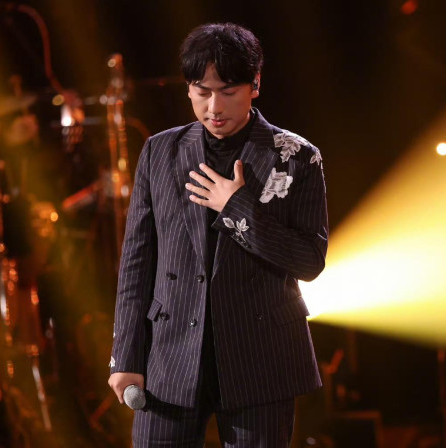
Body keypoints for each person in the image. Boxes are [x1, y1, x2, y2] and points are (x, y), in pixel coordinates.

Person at [107, 22, 328, 447]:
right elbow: (137, 262)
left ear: (255, 84)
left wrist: (236, 207)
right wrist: (125, 356)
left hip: (261, 359)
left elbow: (309, 260)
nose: (214, 107)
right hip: (170, 355)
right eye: (202, 91)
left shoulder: (297, 157)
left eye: (228, 91)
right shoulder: (160, 151)